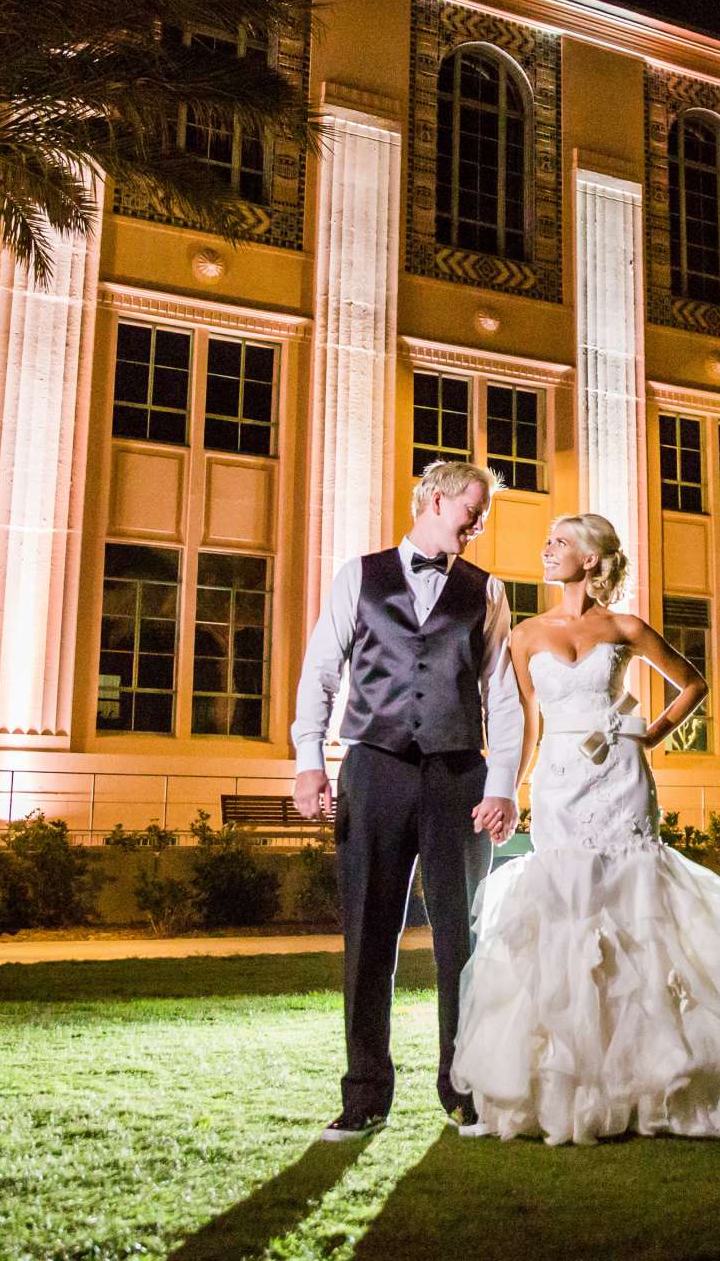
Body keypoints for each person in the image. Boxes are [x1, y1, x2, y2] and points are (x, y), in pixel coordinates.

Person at [449, 512, 720, 1143]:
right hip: (558, 783)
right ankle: (566, 1085)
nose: (547, 551)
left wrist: (646, 735)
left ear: (592, 560)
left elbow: (693, 683)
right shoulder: (523, 636)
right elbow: (525, 726)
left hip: (621, 778)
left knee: (636, 910)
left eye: (560, 544)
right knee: (567, 910)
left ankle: (653, 1083)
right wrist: (511, 792)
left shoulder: (625, 627)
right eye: (547, 542)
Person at [290, 460, 522, 1141]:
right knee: (367, 938)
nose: (479, 524)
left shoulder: (488, 590)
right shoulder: (358, 577)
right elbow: (320, 674)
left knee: (462, 941)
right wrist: (310, 764)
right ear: (434, 499)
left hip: (459, 778)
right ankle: (365, 1095)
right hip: (375, 770)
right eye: (472, 510)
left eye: (484, 515)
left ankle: (463, 1089)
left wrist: (504, 784)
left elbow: (501, 696)